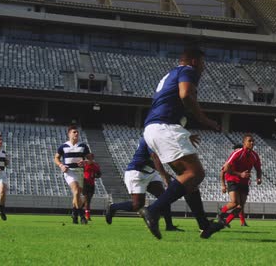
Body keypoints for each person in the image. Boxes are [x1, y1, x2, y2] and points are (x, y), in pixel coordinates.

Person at [139, 46, 225, 240]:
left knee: (189, 182)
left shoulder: (171, 73)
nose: (203, 68)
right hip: (164, 127)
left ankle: (204, 225)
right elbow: (185, 95)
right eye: (202, 63)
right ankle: (153, 210)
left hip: (152, 129)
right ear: (194, 61)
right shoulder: (188, 71)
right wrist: (206, 120)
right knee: (195, 174)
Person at [105, 137, 182, 232]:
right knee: (137, 205)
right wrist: (164, 174)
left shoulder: (159, 137)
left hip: (150, 172)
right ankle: (113, 207)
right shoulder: (150, 137)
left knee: (164, 197)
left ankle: (169, 226)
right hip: (137, 172)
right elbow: (154, 157)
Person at [217, 134, 262, 227]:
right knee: (234, 203)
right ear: (244, 143)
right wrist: (224, 184)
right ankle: (221, 212)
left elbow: (258, 168)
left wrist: (259, 177)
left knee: (240, 206)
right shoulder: (237, 153)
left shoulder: (255, 155)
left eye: (253, 141)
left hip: (244, 182)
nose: (252, 142)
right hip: (232, 179)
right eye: (249, 141)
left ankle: (226, 222)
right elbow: (225, 169)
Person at [54, 125, 93, 225]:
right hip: (69, 172)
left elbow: (90, 160)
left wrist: (85, 162)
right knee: (76, 192)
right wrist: (61, 165)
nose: (76, 134)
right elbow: (56, 158)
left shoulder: (83, 146)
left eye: (77, 132)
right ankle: (82, 216)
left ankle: (74, 213)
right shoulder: (63, 146)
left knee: (77, 195)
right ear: (69, 134)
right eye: (74, 132)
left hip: (80, 172)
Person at [83, 153, 101, 221]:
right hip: (85, 183)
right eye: (89, 158)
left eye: (92, 158)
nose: (91, 159)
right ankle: (87, 216)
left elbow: (99, 174)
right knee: (87, 199)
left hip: (92, 184)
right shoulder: (84, 164)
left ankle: (78, 209)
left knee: (88, 200)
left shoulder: (95, 165)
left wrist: (95, 175)